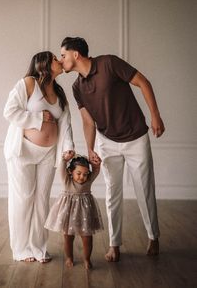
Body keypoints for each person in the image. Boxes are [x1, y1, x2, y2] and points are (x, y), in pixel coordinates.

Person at [60, 37, 165, 262]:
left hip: (136, 136)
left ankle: (153, 236)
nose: (61, 60)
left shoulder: (109, 63)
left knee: (144, 190)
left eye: (63, 55)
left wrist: (155, 115)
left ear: (75, 54)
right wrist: (90, 149)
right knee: (112, 193)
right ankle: (114, 244)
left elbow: (143, 82)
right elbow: (88, 121)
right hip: (106, 141)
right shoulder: (77, 87)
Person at [3, 51, 74, 263]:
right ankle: (21, 249)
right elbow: (9, 111)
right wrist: (37, 118)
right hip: (23, 151)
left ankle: (38, 247)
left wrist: (68, 148)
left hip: (48, 154)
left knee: (42, 201)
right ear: (43, 63)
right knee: (23, 199)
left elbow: (65, 124)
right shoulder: (28, 83)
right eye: (55, 58)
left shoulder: (60, 92)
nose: (60, 60)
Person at [45, 152, 104, 270]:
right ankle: (69, 257)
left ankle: (87, 259)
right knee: (68, 237)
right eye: (78, 173)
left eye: (85, 174)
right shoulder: (67, 181)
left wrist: (96, 163)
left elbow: (96, 170)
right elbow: (61, 167)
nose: (82, 177)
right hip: (68, 213)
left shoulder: (88, 181)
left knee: (87, 237)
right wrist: (64, 159)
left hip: (85, 214)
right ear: (70, 172)